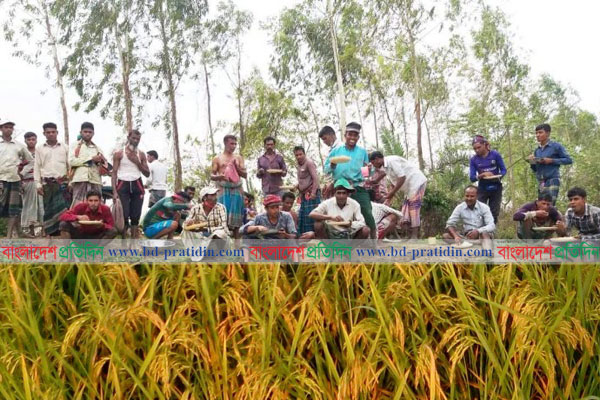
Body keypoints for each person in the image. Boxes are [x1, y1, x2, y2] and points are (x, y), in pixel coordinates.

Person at [324, 122, 376, 239]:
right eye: (350, 134)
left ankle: (374, 241)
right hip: (340, 186)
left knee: (367, 212)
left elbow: (366, 172)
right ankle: (337, 241)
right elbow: (326, 169)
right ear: (345, 135)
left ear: (358, 137)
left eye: (355, 135)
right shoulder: (336, 151)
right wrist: (332, 165)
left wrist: (369, 169)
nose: (352, 137)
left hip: (357, 186)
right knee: (337, 215)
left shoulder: (362, 152)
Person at [369, 151, 427, 239]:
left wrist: (391, 193)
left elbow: (402, 177)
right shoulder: (385, 167)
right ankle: (409, 236)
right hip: (409, 188)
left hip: (417, 182)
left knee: (414, 208)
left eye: (373, 163)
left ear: (377, 159)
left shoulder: (392, 161)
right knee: (405, 211)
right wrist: (377, 181)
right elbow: (391, 179)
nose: (373, 165)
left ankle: (414, 237)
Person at [112, 129, 150, 238]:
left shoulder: (141, 154)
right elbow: (114, 173)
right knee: (124, 214)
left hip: (137, 183)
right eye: (133, 138)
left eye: (138, 139)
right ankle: (124, 241)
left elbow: (147, 174)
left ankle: (134, 241)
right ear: (128, 137)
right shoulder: (119, 153)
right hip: (122, 184)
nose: (135, 140)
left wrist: (137, 162)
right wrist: (114, 192)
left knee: (135, 215)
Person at [34, 122, 70, 236]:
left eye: (53, 132)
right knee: (48, 210)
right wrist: (38, 185)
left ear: (57, 132)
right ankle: (49, 235)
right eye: (48, 132)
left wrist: (70, 182)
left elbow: (70, 166)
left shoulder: (65, 147)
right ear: (44, 133)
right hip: (47, 184)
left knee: (63, 209)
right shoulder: (40, 148)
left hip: (62, 183)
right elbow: (37, 167)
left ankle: (63, 235)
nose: (51, 134)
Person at [0, 118, 32, 238]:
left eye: (10, 127)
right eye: (6, 127)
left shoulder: (19, 145)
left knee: (13, 209)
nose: (8, 129)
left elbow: (30, 161)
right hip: (1, 179)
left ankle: (9, 236)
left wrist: (22, 173)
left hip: (14, 179)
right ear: (1, 129)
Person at [527, 123, 572, 205]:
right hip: (541, 182)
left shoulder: (556, 146)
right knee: (541, 205)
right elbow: (535, 169)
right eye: (536, 133)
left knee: (549, 204)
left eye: (540, 132)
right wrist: (532, 162)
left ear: (547, 133)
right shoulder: (537, 150)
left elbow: (569, 160)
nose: (537, 135)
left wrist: (552, 161)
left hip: (552, 179)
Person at [211, 135, 247, 237]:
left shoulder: (238, 158)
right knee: (222, 217)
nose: (234, 146)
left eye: (235, 144)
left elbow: (245, 175)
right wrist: (219, 177)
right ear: (225, 143)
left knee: (237, 221)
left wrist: (236, 167)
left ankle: (236, 247)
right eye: (232, 143)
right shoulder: (217, 158)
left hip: (237, 189)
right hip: (223, 189)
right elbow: (212, 175)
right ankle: (223, 246)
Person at [182, 186, 230, 259]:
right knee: (185, 231)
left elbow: (223, 226)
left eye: (215, 194)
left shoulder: (221, 207)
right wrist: (189, 222)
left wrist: (203, 229)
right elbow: (186, 223)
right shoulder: (195, 208)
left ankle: (219, 252)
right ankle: (195, 252)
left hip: (214, 233)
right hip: (201, 234)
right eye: (212, 195)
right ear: (204, 198)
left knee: (220, 233)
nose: (215, 197)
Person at [443, 186, 495, 250]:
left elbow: (492, 225)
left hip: (481, 234)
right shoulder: (460, 207)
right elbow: (449, 224)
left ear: (477, 196)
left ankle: (488, 251)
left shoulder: (484, 207)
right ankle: (475, 243)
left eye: (472, 196)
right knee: (446, 236)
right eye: (467, 196)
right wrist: (456, 236)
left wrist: (477, 231)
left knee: (484, 234)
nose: (469, 198)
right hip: (467, 236)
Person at [469, 135, 506, 223]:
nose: (477, 150)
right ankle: (480, 232)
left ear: (485, 145)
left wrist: (498, 175)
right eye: (475, 149)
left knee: (494, 212)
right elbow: (472, 177)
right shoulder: (473, 160)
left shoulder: (495, 154)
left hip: (496, 187)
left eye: (479, 147)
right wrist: (481, 176)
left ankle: (491, 232)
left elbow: (504, 170)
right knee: (479, 211)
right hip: (482, 188)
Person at [69, 122, 108, 206]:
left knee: (96, 207)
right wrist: (91, 159)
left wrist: (101, 162)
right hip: (80, 179)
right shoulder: (75, 146)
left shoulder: (98, 149)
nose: (87, 134)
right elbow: (71, 161)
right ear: (81, 132)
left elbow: (105, 167)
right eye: (85, 132)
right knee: (78, 207)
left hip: (95, 180)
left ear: (93, 133)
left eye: (90, 132)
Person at [19, 132, 44, 237]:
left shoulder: (40, 152)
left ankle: (41, 228)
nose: (31, 141)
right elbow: (18, 168)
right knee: (28, 206)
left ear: (36, 140)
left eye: (33, 139)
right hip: (27, 181)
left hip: (39, 181)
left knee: (41, 206)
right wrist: (20, 183)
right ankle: (26, 228)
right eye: (29, 140)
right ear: (25, 141)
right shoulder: (22, 153)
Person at [294, 145, 320, 236]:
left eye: (300, 154)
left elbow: (316, 178)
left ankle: (315, 237)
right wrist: (297, 186)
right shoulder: (298, 165)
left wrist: (313, 193)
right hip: (303, 195)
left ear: (304, 154)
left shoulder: (309, 163)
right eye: (296, 155)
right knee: (304, 217)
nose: (299, 157)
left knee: (311, 216)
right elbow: (303, 180)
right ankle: (305, 238)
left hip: (311, 194)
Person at [319, 125, 341, 199]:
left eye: (325, 139)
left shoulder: (341, 148)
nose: (324, 142)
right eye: (322, 140)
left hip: (340, 184)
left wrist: (332, 183)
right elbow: (326, 169)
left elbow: (341, 169)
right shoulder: (330, 150)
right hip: (332, 184)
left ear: (332, 135)